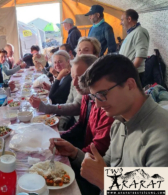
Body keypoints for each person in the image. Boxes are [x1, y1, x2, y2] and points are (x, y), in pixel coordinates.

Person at [51, 55, 168, 194]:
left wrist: (107, 181)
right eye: (94, 97)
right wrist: (75, 153)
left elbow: (157, 187)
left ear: (130, 84)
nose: (98, 104)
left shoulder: (161, 136)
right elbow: (108, 163)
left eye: (102, 94)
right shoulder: (120, 120)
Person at [30, 37, 101, 130]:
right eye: (79, 50)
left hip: (82, 128)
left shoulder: (97, 79)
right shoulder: (74, 74)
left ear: (96, 54)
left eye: (86, 50)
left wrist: (44, 107)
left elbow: (76, 107)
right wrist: (62, 125)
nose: (81, 53)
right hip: (74, 124)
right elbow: (69, 102)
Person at [119, 9, 149, 85]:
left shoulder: (139, 32)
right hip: (129, 73)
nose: (120, 23)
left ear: (129, 19)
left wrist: (128, 72)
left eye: (122, 20)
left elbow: (140, 56)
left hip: (134, 74)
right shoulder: (132, 33)